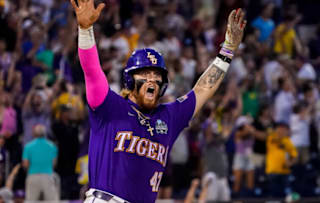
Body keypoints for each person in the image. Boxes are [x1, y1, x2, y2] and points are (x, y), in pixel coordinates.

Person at [70, 0, 247, 202]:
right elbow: (92, 71)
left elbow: (203, 89)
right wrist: (85, 30)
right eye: (145, 74)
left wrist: (227, 51)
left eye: (157, 75)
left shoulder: (169, 116)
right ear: (130, 79)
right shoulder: (109, 106)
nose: (152, 79)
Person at [22, 124, 59, 201]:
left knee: (30, 201)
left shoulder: (28, 146)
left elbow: (25, 164)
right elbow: (54, 163)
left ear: (33, 134)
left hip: (33, 176)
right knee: (52, 201)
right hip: (48, 176)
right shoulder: (52, 146)